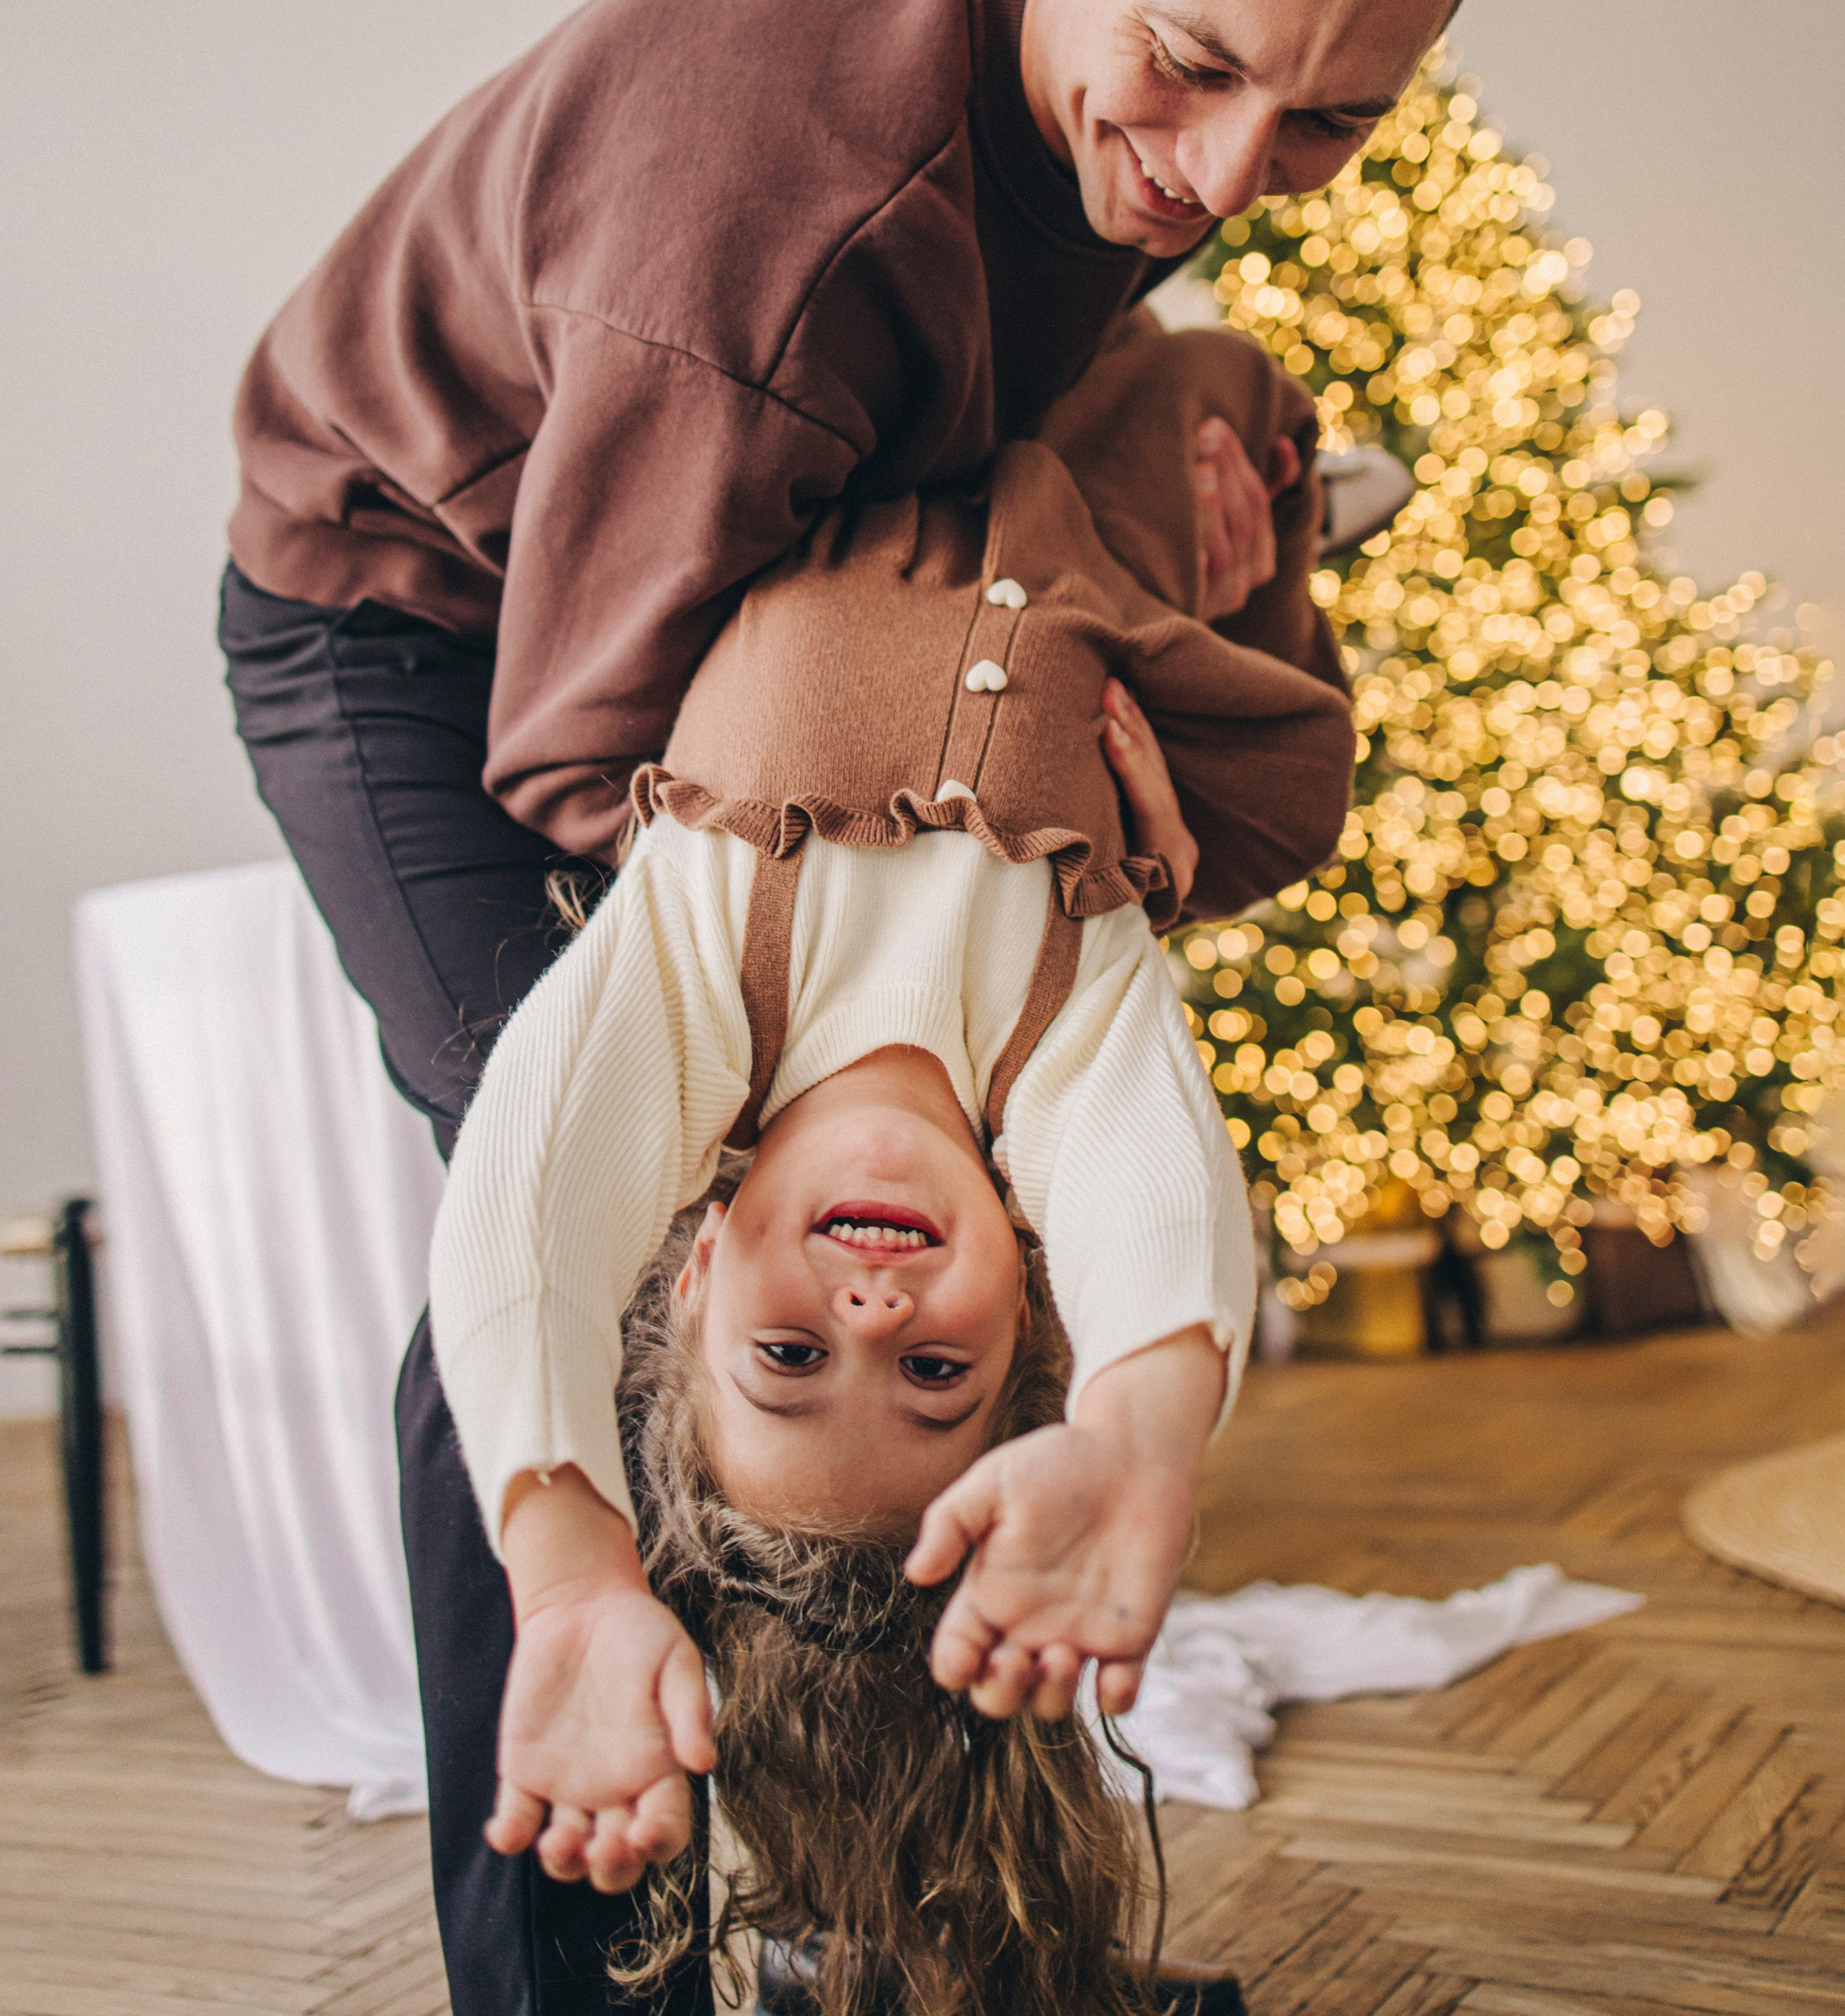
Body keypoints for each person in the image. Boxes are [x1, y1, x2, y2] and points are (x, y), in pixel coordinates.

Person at [221, 0, 1508, 2016]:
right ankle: (574, 1955)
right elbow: (604, 760)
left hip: (723, 563)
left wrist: (1079, 673)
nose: (1228, 176)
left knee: (886, 1213)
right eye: (1201, 75)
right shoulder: (778, 239)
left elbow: (981, 454)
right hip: (430, 619)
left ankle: (945, 1927)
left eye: (1330, 122)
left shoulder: (1110, 36)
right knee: (602, 1225)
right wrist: (972, 791)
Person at [432, 317, 1351, 2016]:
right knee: (1238, 424)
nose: (866, 1303)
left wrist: (568, 1559)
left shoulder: (699, 989)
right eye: (934, 1370)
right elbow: (1160, 1197)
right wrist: (1141, 1433)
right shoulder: (1062, 1028)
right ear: (1027, 1289)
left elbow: (528, 1206)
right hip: (1126, 468)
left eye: (791, 1359)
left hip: (858, 375)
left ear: (694, 1270)